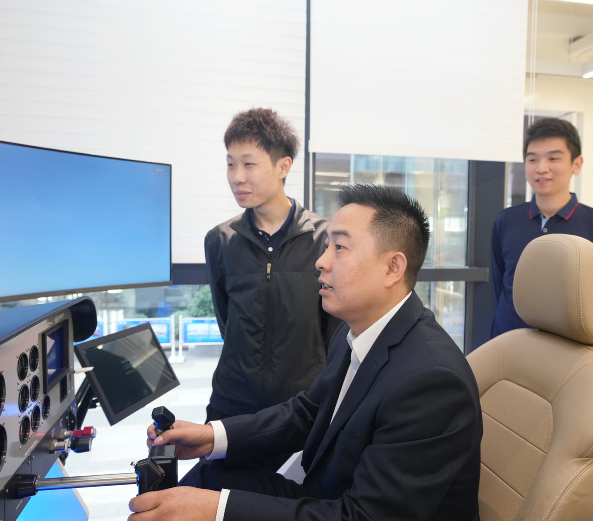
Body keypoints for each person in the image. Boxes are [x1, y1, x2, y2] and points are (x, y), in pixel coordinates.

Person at [129, 185, 483, 521]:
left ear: (393, 268)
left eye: (339, 247)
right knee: (210, 475)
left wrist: (215, 510)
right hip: (326, 498)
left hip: (349, 511)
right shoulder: (355, 332)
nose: (321, 261)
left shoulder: (431, 382)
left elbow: (365, 516)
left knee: (206, 503)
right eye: (326, 245)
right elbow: (309, 413)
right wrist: (211, 438)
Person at [203, 109, 338, 470]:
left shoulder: (324, 239)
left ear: (283, 166)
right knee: (217, 493)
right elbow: (227, 322)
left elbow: (334, 332)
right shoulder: (220, 240)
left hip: (299, 411)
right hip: (231, 406)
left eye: (249, 164)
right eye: (230, 164)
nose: (237, 177)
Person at [490, 118, 593, 338]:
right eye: (532, 159)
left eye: (553, 158)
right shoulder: (506, 220)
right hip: (511, 343)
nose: (541, 168)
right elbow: (499, 288)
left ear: (577, 164)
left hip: (571, 348)